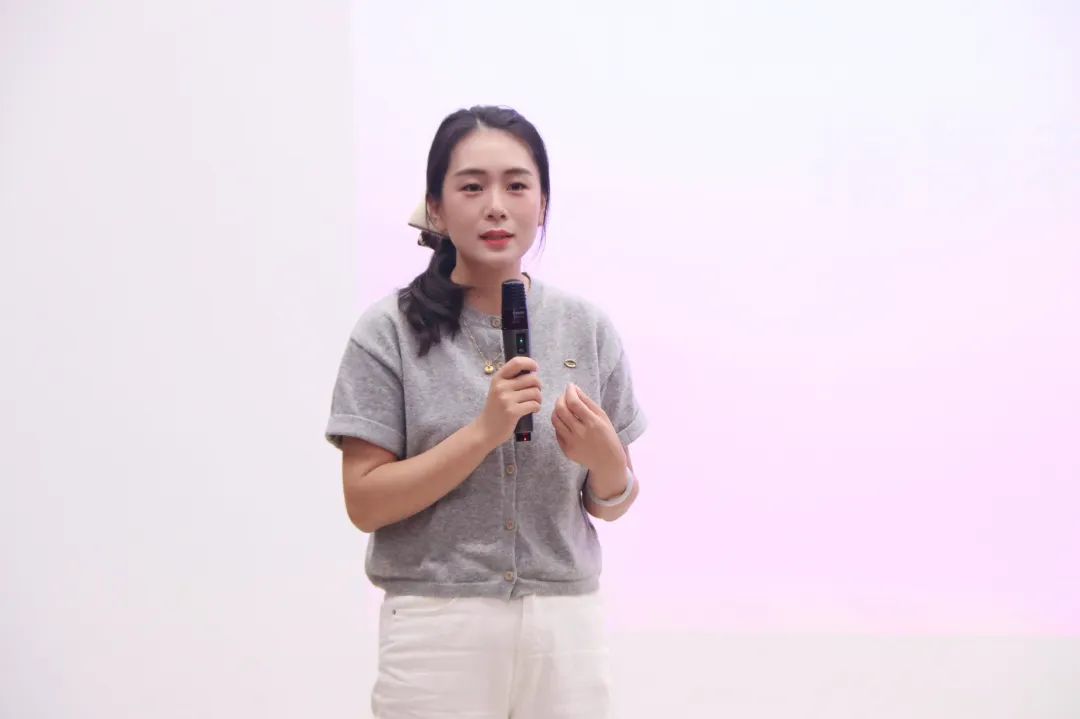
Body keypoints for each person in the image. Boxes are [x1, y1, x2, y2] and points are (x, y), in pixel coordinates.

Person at [325, 105, 647, 718]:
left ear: (543, 204)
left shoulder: (585, 326)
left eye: (517, 186)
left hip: (564, 625)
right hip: (437, 627)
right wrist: (482, 433)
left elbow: (613, 500)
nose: (496, 206)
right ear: (437, 208)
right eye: (472, 187)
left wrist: (608, 463)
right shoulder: (388, 331)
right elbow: (364, 502)